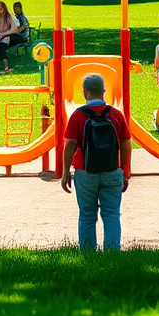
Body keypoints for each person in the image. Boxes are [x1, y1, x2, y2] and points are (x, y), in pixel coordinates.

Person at [61, 72, 132, 252]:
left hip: (85, 172)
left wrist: (64, 173)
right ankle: (112, 252)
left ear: (84, 92)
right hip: (112, 171)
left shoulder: (78, 116)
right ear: (104, 91)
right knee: (111, 214)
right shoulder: (115, 114)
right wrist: (125, 170)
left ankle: (87, 253)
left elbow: (70, 144)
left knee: (86, 215)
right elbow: (125, 144)